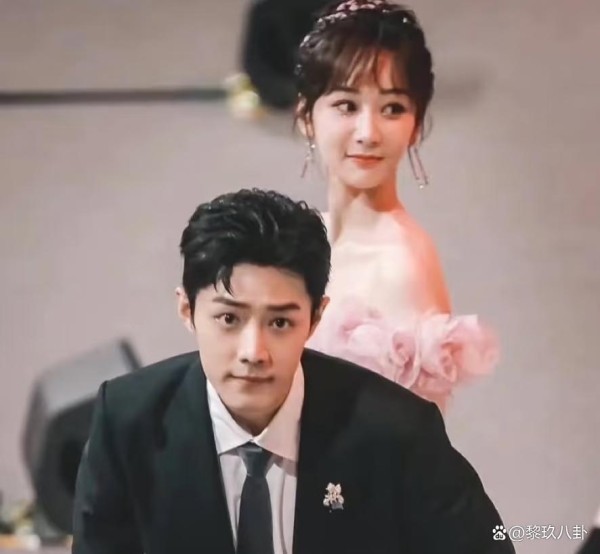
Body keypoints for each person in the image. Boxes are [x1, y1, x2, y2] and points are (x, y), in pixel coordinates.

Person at [71, 188, 514, 553]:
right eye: (229, 319)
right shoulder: (127, 424)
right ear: (187, 310)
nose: (254, 352)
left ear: (316, 318)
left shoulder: (396, 432)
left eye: (280, 323)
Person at [294, 0, 498, 412]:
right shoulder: (302, 241)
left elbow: (411, 440)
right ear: (307, 117)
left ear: (415, 125)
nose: (368, 133)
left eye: (392, 109)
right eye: (347, 105)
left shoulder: (399, 263)